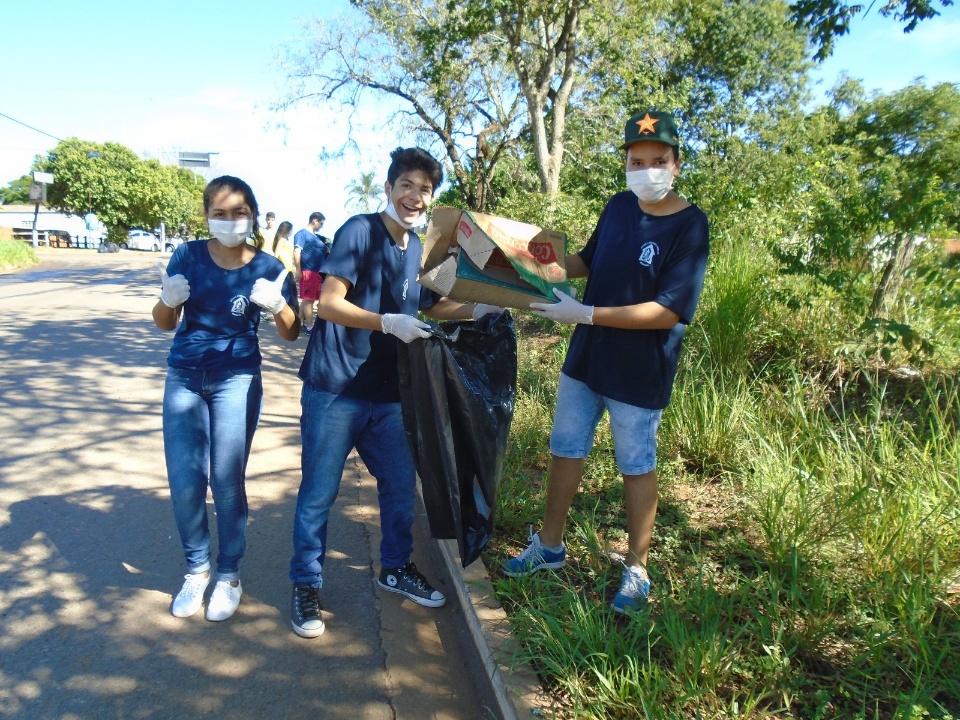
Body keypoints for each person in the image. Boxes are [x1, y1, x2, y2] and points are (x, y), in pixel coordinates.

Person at [502, 110, 710, 615]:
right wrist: (528, 266)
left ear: (677, 164)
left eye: (658, 160)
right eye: (636, 161)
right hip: (587, 361)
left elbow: (668, 310)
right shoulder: (619, 206)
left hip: (639, 372)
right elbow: (587, 261)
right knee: (565, 449)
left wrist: (587, 312)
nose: (646, 170)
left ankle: (637, 569)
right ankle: (549, 546)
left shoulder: (691, 225)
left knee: (636, 465)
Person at [289, 147, 501, 638]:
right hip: (335, 388)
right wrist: (386, 321)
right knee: (319, 493)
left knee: (402, 486)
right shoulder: (358, 232)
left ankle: (395, 568)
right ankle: (305, 583)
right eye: (407, 185)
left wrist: (484, 309)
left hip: (388, 394)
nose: (415, 196)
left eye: (425, 190)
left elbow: (438, 305)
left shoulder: (420, 250)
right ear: (388, 188)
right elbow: (328, 303)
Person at [153, 175, 301, 622]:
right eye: (220, 213)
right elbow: (164, 322)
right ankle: (196, 570)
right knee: (184, 480)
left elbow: (292, 333)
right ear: (207, 216)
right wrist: (166, 297)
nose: (231, 220)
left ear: (253, 216)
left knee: (225, 477)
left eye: (239, 213)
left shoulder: (270, 268)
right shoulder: (188, 255)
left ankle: (229, 574)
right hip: (184, 375)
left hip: (236, 377)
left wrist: (278, 306)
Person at [294, 212, 328, 333]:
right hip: (308, 271)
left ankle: (298, 323)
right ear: (315, 220)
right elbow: (297, 251)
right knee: (309, 300)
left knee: (308, 300)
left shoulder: (317, 237)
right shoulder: (302, 234)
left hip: (317, 273)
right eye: (321, 223)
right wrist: (298, 269)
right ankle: (309, 326)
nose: (321, 226)